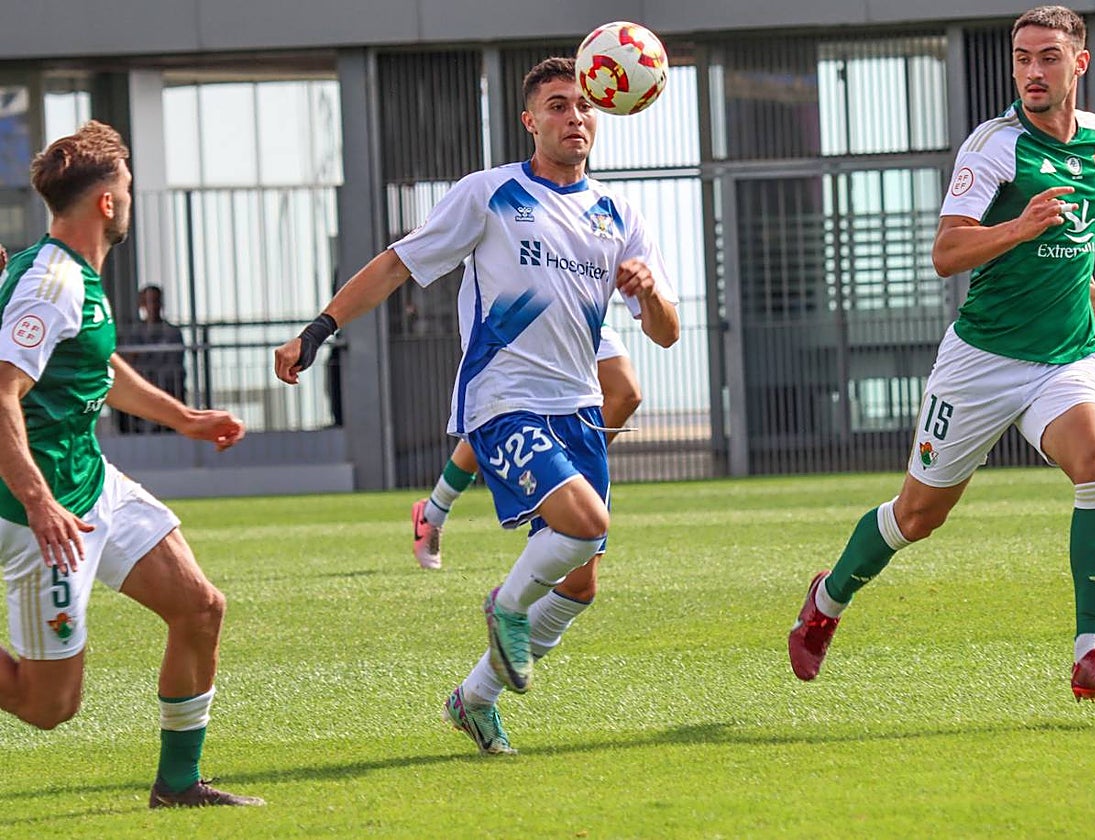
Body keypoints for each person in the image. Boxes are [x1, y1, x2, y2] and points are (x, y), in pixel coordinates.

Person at [274, 57, 680, 753]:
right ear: (531, 121)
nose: (573, 117)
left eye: (583, 106)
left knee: (580, 587)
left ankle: (474, 699)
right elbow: (398, 263)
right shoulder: (489, 193)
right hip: (503, 399)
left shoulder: (620, 214)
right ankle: (506, 603)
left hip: (577, 407)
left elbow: (666, 334)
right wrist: (320, 329)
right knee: (584, 525)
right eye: (557, 105)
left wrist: (648, 291)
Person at [787, 6, 1095, 702]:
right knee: (918, 516)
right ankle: (826, 600)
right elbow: (947, 253)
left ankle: (1090, 652)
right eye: (1023, 59)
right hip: (982, 361)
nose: (1033, 72)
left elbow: (1071, 234)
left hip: (1063, 358)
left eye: (1048, 57)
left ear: (1080, 64)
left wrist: (1087, 282)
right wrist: (1020, 224)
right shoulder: (994, 146)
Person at [0, 121, 264, 807]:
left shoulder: (74, 277)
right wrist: (37, 501)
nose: (130, 198)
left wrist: (185, 419)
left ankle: (177, 784)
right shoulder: (51, 281)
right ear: (107, 203)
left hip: (91, 484)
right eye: (127, 187)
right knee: (47, 705)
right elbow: (0, 394)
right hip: (41, 514)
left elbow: (97, 364)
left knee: (200, 607)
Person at [411, 323, 642, 570]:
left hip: (585, 309)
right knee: (503, 414)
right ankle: (435, 511)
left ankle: (558, 476)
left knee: (626, 394)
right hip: (533, 313)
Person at [117, 284, 187, 434]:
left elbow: (174, 365)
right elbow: (127, 363)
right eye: (148, 301)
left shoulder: (172, 332)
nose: (152, 306)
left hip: (166, 387)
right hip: (140, 387)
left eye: (155, 301)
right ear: (141, 304)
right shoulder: (134, 332)